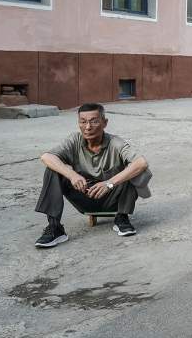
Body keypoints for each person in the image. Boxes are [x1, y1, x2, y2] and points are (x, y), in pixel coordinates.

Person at [34, 103, 152, 248]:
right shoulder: (74, 140)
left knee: (135, 170)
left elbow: (141, 163)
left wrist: (109, 183)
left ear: (104, 123)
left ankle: (122, 217)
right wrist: (72, 175)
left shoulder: (115, 143)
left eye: (94, 121)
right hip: (84, 195)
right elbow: (46, 157)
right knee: (53, 169)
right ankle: (55, 227)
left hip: (113, 199)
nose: (88, 127)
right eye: (83, 122)